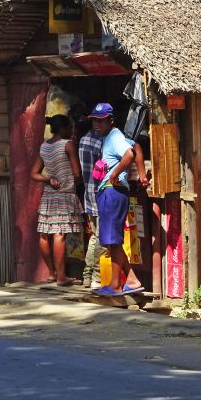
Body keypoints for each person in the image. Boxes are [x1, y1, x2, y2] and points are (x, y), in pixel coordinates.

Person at [79, 103, 149, 289]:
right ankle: (132, 280)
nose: (96, 124)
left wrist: (114, 174)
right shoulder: (112, 136)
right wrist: (141, 175)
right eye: (94, 120)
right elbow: (137, 147)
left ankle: (115, 284)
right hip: (109, 192)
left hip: (112, 191)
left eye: (100, 121)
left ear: (110, 120)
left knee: (112, 241)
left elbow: (130, 153)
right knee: (111, 242)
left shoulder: (114, 137)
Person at [30, 114, 84, 286]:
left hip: (48, 197)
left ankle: (52, 273)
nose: (71, 131)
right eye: (69, 128)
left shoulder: (44, 146)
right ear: (63, 129)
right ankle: (61, 277)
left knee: (44, 234)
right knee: (59, 234)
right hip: (64, 195)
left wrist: (48, 179)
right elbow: (77, 174)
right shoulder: (68, 145)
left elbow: (34, 173)